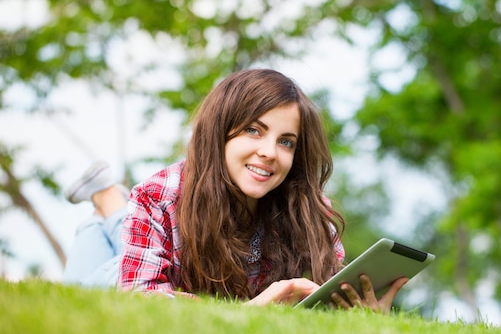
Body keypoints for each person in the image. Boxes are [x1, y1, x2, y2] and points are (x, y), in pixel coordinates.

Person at [63, 68, 408, 312]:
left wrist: (361, 313)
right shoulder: (158, 195)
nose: (270, 152)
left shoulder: (309, 210)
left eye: (286, 141)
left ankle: (107, 197)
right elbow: (140, 294)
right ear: (221, 131)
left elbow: (316, 305)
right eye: (254, 131)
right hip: (119, 276)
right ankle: (108, 197)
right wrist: (251, 310)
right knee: (77, 296)